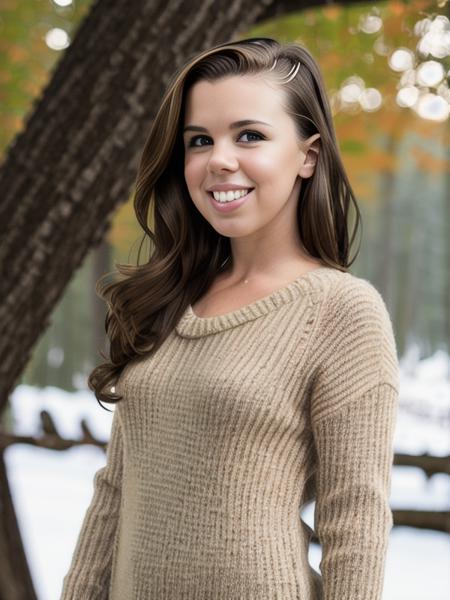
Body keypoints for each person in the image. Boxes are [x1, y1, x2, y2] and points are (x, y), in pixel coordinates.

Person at [60, 37, 399, 600]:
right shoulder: (167, 299)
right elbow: (116, 490)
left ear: (307, 156)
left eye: (250, 135)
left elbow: (355, 520)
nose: (219, 159)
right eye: (199, 140)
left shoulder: (343, 311)